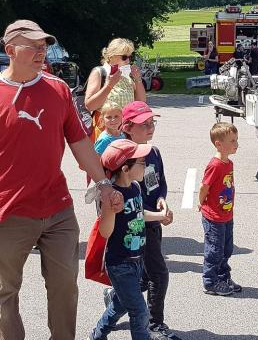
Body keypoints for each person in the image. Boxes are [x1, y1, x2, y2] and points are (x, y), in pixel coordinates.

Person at [0, 19, 123, 340]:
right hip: (8, 213)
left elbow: (80, 141)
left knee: (65, 287)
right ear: (10, 50)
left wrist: (104, 184)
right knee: (4, 292)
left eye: (44, 45)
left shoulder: (57, 90)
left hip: (57, 211)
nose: (42, 51)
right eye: (33, 45)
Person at [104, 101, 176, 340]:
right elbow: (128, 199)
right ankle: (155, 324)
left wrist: (162, 201)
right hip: (137, 226)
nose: (150, 127)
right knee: (159, 274)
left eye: (152, 123)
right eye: (144, 124)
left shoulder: (153, 153)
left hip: (154, 223)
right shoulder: (124, 159)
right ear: (128, 127)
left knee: (142, 276)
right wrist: (156, 215)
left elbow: (159, 184)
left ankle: (116, 297)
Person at [89, 139, 167, 340]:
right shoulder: (113, 196)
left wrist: (160, 216)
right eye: (142, 162)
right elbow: (105, 232)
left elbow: (139, 213)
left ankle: (97, 335)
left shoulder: (134, 187)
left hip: (137, 260)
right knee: (140, 312)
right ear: (125, 168)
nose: (146, 166)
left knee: (119, 305)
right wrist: (111, 209)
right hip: (120, 264)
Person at [198, 122, 241, 296]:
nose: (236, 144)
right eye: (232, 140)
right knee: (214, 250)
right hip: (213, 216)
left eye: (236, 140)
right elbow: (204, 187)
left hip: (226, 214)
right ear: (219, 144)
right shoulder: (215, 165)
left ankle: (223, 277)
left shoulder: (228, 163)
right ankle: (210, 281)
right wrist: (201, 202)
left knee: (226, 248)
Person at [85, 38, 146, 141]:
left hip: (127, 131)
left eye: (130, 57)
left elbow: (141, 103)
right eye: (124, 57)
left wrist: (138, 79)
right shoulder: (100, 72)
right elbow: (90, 105)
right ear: (111, 56)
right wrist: (109, 85)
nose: (128, 60)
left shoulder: (127, 76)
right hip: (106, 133)